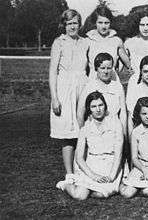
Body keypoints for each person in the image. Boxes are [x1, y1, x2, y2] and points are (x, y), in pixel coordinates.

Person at [56, 91, 123, 200]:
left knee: (101, 194)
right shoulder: (85, 127)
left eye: (101, 105)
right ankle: (66, 185)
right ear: (89, 109)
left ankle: (94, 188)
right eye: (94, 106)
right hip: (92, 165)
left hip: (110, 165)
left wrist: (112, 175)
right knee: (79, 196)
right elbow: (79, 158)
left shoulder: (115, 123)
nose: (98, 109)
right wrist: (93, 176)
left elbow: (119, 153)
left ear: (105, 106)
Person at [49, 9, 88, 182]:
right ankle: (70, 173)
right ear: (64, 25)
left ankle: (82, 169)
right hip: (64, 89)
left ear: (80, 24)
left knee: (83, 129)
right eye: (69, 23)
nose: (73, 27)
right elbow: (52, 71)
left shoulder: (86, 42)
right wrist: (54, 97)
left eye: (75, 23)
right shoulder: (59, 42)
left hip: (82, 87)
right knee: (67, 133)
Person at [77, 53, 127, 136]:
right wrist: (83, 135)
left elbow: (123, 114)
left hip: (114, 129)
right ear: (96, 68)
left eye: (109, 68)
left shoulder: (117, 86)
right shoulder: (89, 86)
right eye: (102, 68)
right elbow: (80, 113)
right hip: (95, 131)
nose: (106, 71)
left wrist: (124, 135)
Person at [84, 5, 131, 80]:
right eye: (100, 22)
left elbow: (129, 64)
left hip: (112, 81)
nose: (103, 26)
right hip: (94, 82)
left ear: (110, 22)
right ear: (95, 23)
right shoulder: (88, 41)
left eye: (106, 23)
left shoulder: (116, 41)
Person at [124, 10, 148, 93]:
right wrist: (128, 68)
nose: (145, 28)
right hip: (136, 82)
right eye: (142, 25)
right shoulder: (130, 42)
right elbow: (121, 62)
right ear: (137, 25)